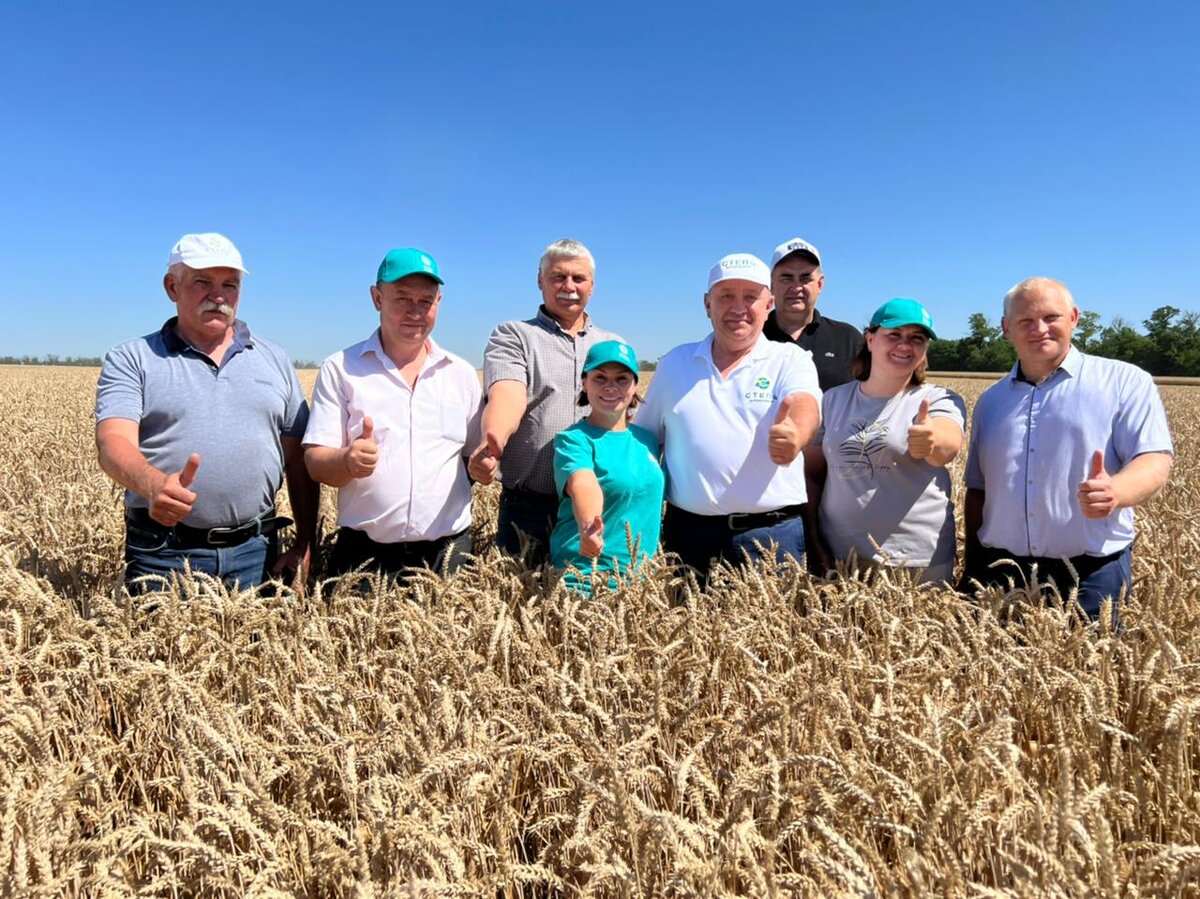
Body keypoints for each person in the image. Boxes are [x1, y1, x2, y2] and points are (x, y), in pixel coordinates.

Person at [95, 232, 318, 594]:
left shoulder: (274, 359)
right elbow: (113, 442)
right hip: (163, 554)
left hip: (256, 552)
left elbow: (298, 457)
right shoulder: (133, 358)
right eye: (202, 282)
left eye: (230, 285)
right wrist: (153, 485)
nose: (218, 296)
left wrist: (306, 540)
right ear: (172, 287)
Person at [961, 276, 1173, 622]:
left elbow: (1154, 458)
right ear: (1006, 328)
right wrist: (972, 566)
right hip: (1001, 568)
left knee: (1092, 656)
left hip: (1092, 570)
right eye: (1025, 321)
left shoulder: (1124, 381)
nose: (1039, 329)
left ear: (1074, 318)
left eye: (1051, 317)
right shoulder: (991, 401)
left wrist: (1116, 491)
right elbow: (978, 489)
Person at [637, 253, 822, 575]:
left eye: (750, 297)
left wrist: (795, 433)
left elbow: (804, 403)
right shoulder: (674, 363)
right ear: (707, 304)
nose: (738, 308)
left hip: (771, 538)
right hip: (688, 536)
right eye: (726, 296)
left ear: (769, 304)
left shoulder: (790, 359)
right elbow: (645, 440)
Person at [303, 248, 481, 578]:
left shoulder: (462, 374)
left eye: (425, 301)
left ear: (439, 302)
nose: (415, 311)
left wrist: (486, 464)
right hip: (365, 558)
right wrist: (346, 461)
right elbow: (315, 462)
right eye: (402, 298)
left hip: (448, 554)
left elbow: (472, 459)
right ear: (377, 298)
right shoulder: (341, 369)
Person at [469, 238, 623, 563]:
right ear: (540, 280)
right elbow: (508, 394)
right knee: (517, 590)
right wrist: (493, 440)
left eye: (578, 278)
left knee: (591, 590)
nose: (569, 286)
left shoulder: (612, 345)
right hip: (529, 508)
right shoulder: (514, 335)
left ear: (592, 286)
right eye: (558, 277)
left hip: (597, 508)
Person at [804, 299, 966, 585]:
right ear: (870, 339)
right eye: (894, 335)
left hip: (915, 560)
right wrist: (813, 538)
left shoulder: (938, 399)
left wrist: (931, 440)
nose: (905, 345)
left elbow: (948, 444)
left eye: (917, 338)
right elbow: (813, 474)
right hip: (840, 553)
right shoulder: (833, 400)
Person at [550, 340, 664, 593]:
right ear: (585, 383)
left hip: (642, 581)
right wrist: (589, 526)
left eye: (622, 379)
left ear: (635, 385)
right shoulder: (573, 440)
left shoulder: (647, 439)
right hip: (586, 575)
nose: (611, 386)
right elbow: (583, 484)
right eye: (600, 377)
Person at [763, 237, 863, 392]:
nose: (796, 287)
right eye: (786, 278)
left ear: (820, 284)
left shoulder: (848, 339)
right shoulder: (752, 338)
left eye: (805, 278)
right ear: (771, 284)